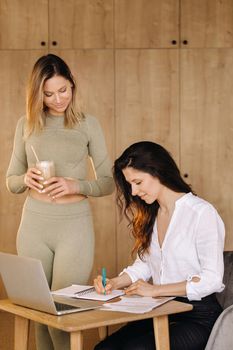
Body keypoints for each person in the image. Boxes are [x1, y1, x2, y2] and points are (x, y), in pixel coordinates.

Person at [6, 54, 114, 350]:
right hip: (34, 225)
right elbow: (11, 181)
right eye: (48, 93)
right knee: (41, 314)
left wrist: (74, 184)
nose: (57, 100)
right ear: (37, 93)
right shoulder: (25, 125)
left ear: (72, 86)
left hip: (74, 227)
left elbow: (107, 182)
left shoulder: (87, 124)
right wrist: (24, 179)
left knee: (63, 314)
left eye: (63, 90)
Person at [94, 141, 225, 350]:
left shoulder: (202, 213)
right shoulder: (152, 214)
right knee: (104, 348)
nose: (134, 192)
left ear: (158, 172)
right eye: (130, 185)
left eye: (138, 182)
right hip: (160, 309)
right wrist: (115, 282)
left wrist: (155, 290)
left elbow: (212, 278)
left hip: (197, 317)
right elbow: (145, 264)